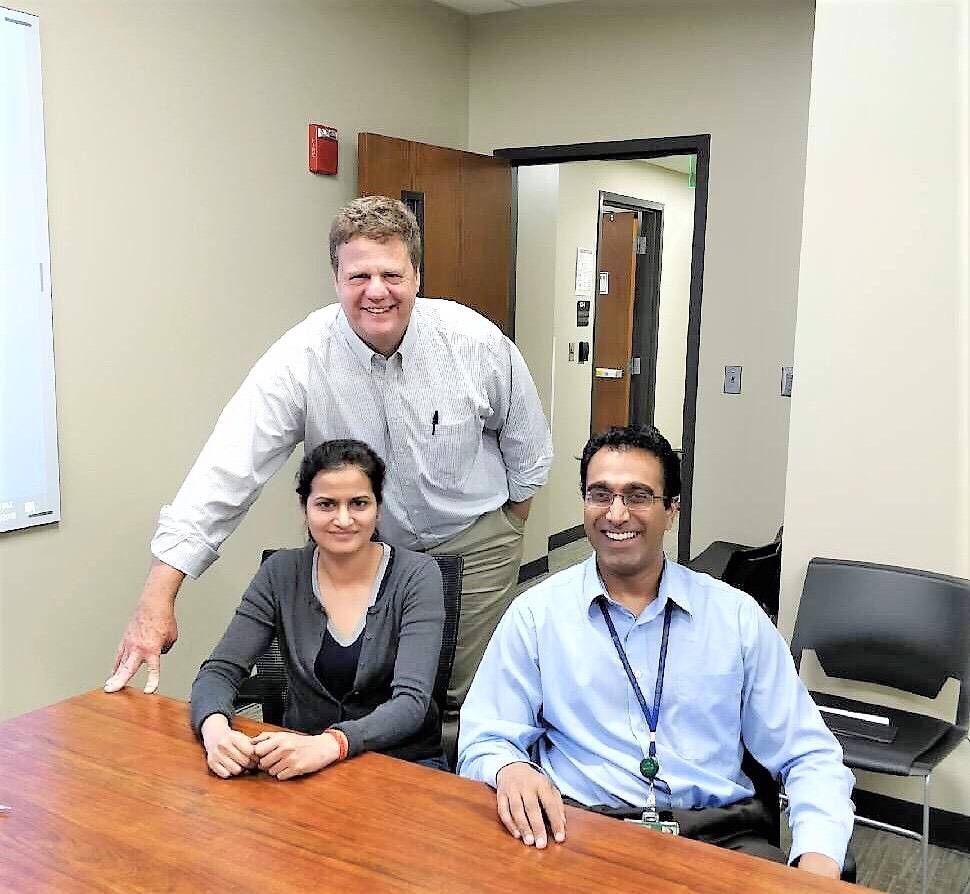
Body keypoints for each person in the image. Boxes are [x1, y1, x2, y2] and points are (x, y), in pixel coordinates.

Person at [107, 196, 553, 741]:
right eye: (358, 275)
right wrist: (159, 594)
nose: (376, 291)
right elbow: (226, 471)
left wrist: (506, 528)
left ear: (416, 273)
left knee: (471, 706)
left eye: (392, 273)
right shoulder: (300, 359)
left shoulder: (474, 343)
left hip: (473, 542)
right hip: (364, 552)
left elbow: (527, 448)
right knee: (375, 698)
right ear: (336, 278)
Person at [457, 425, 854, 880]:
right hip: (579, 832)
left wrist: (818, 862)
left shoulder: (736, 619)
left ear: (671, 512)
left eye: (638, 496)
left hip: (717, 838)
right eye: (600, 494)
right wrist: (510, 768)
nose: (616, 513)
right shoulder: (536, 615)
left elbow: (809, 755)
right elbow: (484, 736)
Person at [191, 439, 446, 779]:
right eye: (326, 504)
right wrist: (216, 731)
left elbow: (412, 703)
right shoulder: (281, 572)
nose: (343, 519)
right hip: (302, 766)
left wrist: (332, 744)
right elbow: (219, 671)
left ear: (378, 509)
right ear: (305, 508)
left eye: (358, 503)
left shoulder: (417, 575)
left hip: (402, 765)